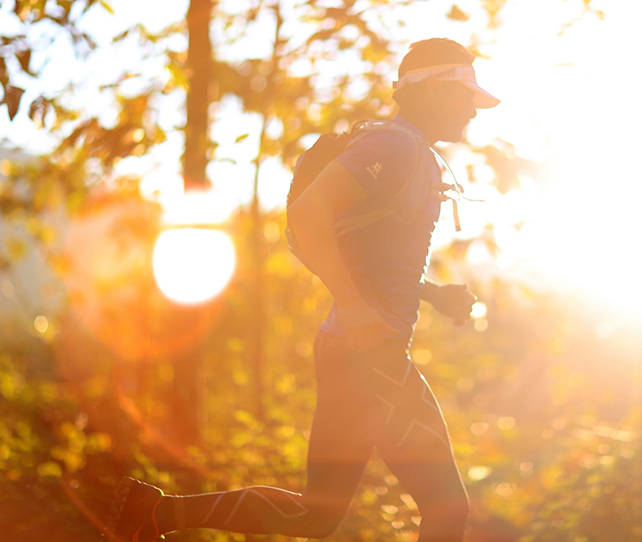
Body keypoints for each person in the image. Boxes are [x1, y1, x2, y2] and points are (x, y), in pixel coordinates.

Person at [105, 37, 499, 542]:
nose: (473, 108)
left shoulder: (409, 152)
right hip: (369, 358)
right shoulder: (393, 147)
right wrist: (356, 309)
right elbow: (308, 213)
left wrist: (431, 294)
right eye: (464, 95)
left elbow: (372, 259)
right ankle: (153, 514)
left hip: (357, 353)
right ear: (433, 92)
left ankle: (152, 514)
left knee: (315, 516)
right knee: (447, 510)